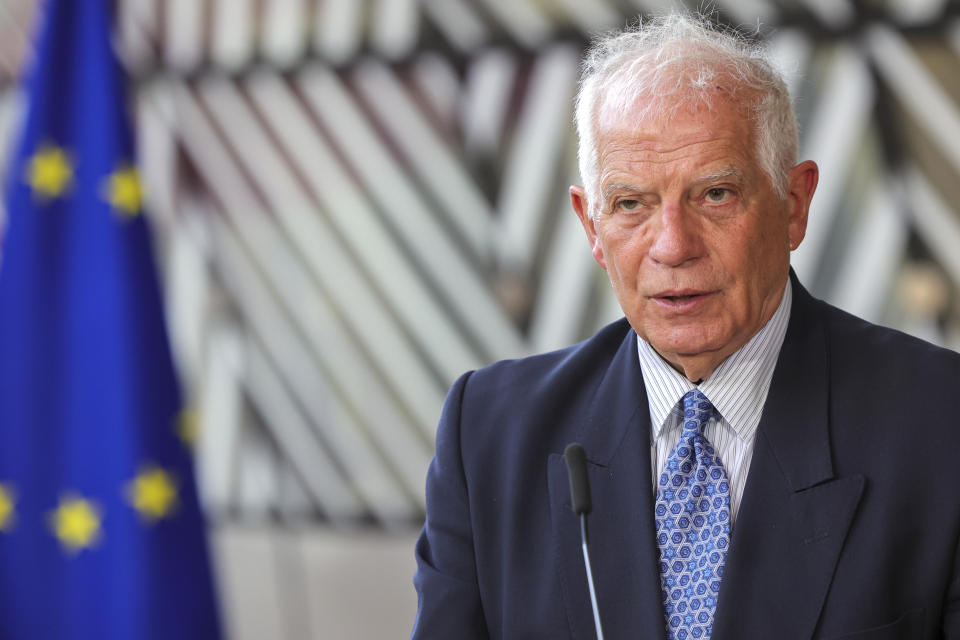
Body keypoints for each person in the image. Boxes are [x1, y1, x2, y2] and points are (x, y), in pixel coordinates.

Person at [411, 11, 960, 640]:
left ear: (794, 204)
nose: (672, 246)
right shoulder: (488, 434)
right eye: (630, 204)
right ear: (591, 226)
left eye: (715, 194)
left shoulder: (942, 421)